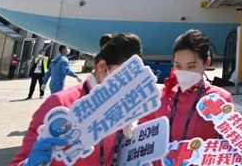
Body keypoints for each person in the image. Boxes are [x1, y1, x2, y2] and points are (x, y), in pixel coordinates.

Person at [10, 33, 143, 166]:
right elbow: (17, 162)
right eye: (123, 76)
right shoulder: (59, 104)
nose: (127, 84)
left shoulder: (123, 108)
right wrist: (29, 164)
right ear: (102, 66)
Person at [141, 29, 242, 166]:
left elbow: (236, 145)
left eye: (191, 66)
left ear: (206, 63)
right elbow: (140, 142)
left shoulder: (219, 99)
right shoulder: (161, 98)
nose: (183, 73)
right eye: (178, 66)